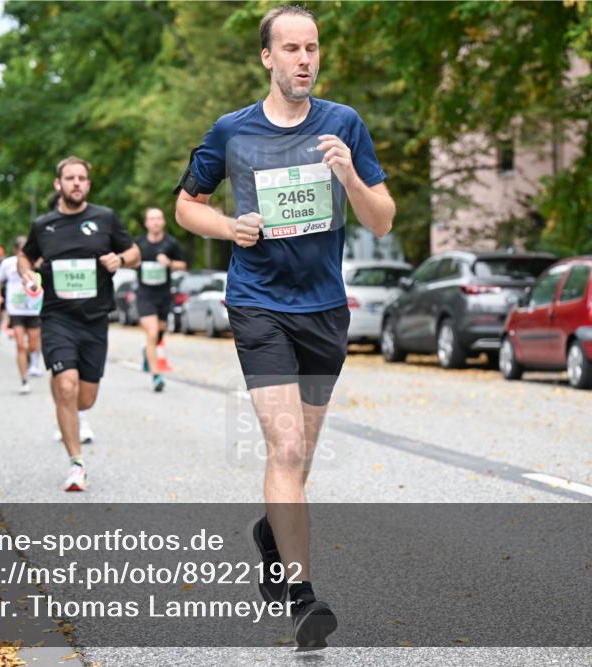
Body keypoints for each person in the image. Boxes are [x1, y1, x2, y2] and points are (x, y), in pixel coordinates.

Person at [174, 5, 395, 649]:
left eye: (313, 47)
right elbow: (188, 205)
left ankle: (272, 531)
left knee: (301, 461)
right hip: (259, 303)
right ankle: (302, 596)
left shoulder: (344, 124)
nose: (305, 59)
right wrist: (228, 227)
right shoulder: (231, 133)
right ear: (267, 57)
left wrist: (349, 174)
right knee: (287, 450)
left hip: (324, 310)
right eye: (292, 48)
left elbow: (381, 221)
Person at [18, 156, 140, 491]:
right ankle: (76, 465)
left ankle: (66, 401)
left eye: (82, 178)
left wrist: (120, 258)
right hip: (57, 317)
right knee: (67, 386)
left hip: (95, 319)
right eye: (69, 178)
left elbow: (134, 252)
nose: (76, 183)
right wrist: (27, 272)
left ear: (88, 184)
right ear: (58, 184)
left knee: (84, 399)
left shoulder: (105, 218)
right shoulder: (44, 225)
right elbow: (25, 256)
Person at [134, 207, 186, 392]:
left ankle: (148, 353)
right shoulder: (138, 244)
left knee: (160, 331)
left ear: (163, 221)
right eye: (152, 219)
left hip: (164, 296)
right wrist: (134, 262)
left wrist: (170, 263)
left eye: (158, 218)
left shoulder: (171, 243)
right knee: (152, 332)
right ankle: (156, 377)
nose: (155, 222)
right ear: (146, 223)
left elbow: (183, 265)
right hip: (145, 295)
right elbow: (128, 259)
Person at [0, 236, 44, 394]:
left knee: (34, 345)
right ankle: (24, 380)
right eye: (21, 247)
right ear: (16, 250)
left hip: (34, 309)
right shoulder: (7, 263)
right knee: (20, 345)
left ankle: (31, 360)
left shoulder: (38, 262)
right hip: (16, 309)